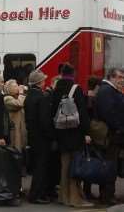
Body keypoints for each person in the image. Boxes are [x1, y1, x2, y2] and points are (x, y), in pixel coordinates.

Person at [51, 63, 92, 208]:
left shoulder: (56, 90)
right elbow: (83, 113)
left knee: (64, 165)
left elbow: (52, 113)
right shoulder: (76, 89)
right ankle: (75, 198)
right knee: (75, 166)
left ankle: (63, 196)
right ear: (73, 74)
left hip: (61, 132)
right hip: (75, 132)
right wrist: (86, 132)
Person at [96, 67, 124, 205]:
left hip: (113, 134)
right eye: (119, 77)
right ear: (112, 77)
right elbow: (109, 113)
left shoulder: (110, 90)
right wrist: (118, 128)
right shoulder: (107, 91)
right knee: (109, 165)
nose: (122, 80)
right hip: (111, 135)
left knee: (111, 165)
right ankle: (106, 196)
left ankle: (108, 194)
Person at [24, 70, 53, 204]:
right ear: (40, 82)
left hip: (32, 135)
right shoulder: (42, 97)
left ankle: (35, 193)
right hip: (42, 137)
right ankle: (36, 195)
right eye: (43, 80)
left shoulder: (29, 96)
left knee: (36, 166)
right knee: (41, 167)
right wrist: (51, 134)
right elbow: (44, 120)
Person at [83, 75, 103, 200]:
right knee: (94, 161)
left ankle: (86, 189)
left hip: (87, 134)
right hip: (93, 135)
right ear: (96, 86)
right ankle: (88, 191)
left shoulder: (84, 97)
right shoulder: (93, 100)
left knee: (88, 161)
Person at [4, 79, 27, 152]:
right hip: (14, 131)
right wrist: (21, 93)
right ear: (9, 89)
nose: (18, 87)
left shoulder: (18, 97)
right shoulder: (7, 99)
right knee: (15, 150)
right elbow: (19, 104)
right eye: (15, 86)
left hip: (20, 129)